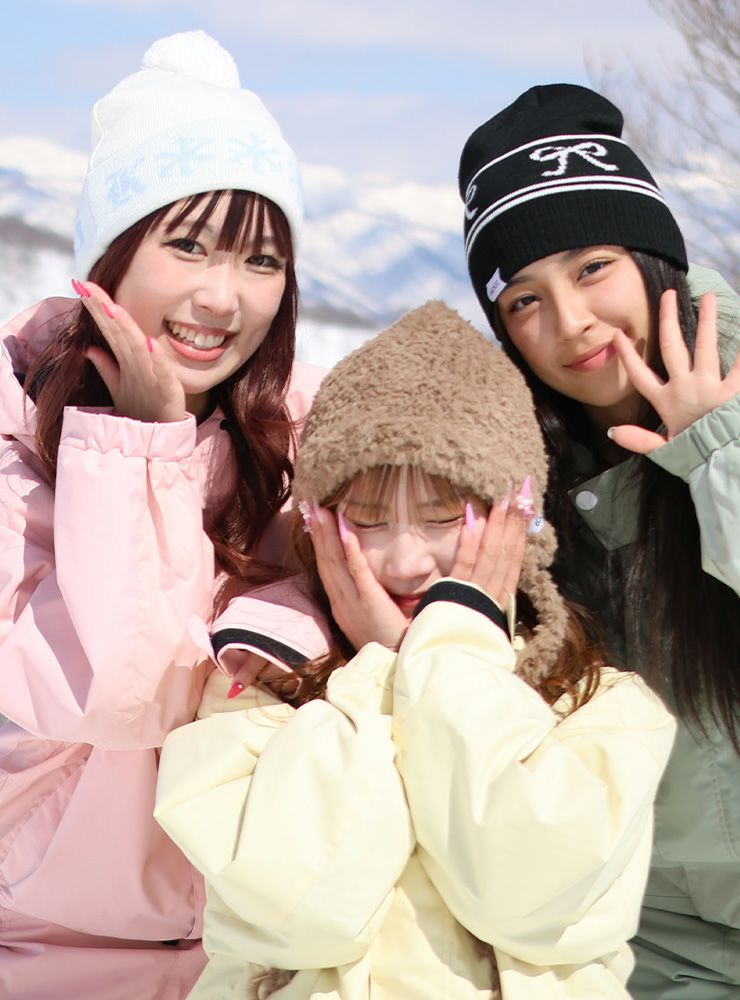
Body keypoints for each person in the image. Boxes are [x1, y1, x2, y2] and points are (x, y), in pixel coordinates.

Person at [155, 300, 676, 999]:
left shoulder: (600, 706)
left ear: (517, 520)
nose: (405, 563)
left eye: (442, 518)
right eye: (367, 522)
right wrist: (382, 671)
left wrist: (443, 654)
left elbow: (525, 901)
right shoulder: (252, 684)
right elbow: (299, 916)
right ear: (315, 526)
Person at [0, 30, 324, 1000]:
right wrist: (143, 443)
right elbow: (117, 693)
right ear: (111, 253)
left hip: (253, 951)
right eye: (186, 245)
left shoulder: (305, 437)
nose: (222, 297)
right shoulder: (14, 434)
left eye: (262, 259)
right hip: (47, 945)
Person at [458, 83, 740, 999]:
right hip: (657, 951)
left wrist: (716, 453)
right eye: (524, 299)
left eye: (592, 268)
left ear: (656, 260)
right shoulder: (522, 478)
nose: (570, 321)